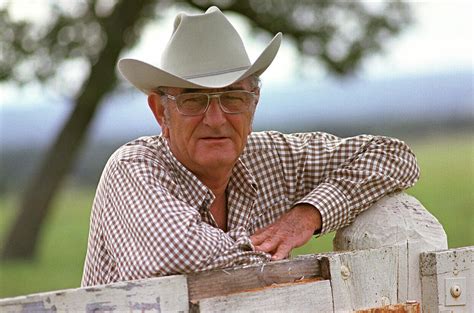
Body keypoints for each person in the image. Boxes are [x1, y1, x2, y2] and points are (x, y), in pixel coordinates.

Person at [81, 6, 419, 287]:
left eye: (233, 97)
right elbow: (180, 255)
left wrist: (309, 214)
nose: (215, 118)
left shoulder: (273, 157)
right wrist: (280, 259)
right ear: (160, 112)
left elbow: (395, 156)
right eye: (195, 100)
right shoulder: (133, 168)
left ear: (254, 103)